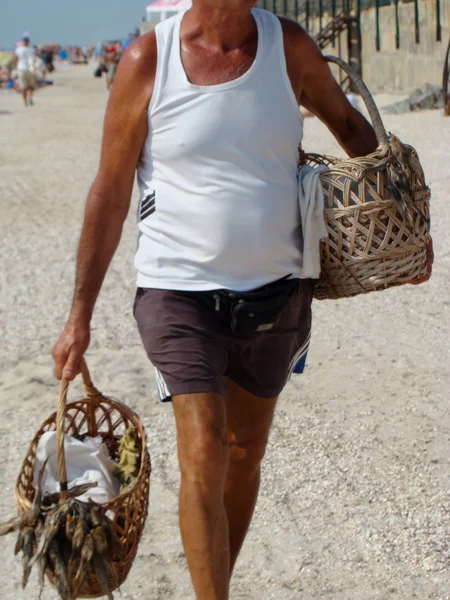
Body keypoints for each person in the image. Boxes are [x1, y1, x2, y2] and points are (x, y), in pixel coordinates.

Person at [51, 2, 433, 598]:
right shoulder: (147, 60)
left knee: (244, 451)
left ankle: (215, 585)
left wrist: (405, 233)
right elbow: (110, 190)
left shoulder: (290, 48)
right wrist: (79, 317)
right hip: (177, 289)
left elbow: (354, 130)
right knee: (204, 450)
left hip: (277, 289)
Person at [14, 36, 36, 106]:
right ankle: (27, 100)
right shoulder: (21, 49)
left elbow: (16, 59)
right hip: (25, 69)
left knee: (28, 86)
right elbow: (16, 59)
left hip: (26, 69)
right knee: (26, 86)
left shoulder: (29, 50)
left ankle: (28, 99)